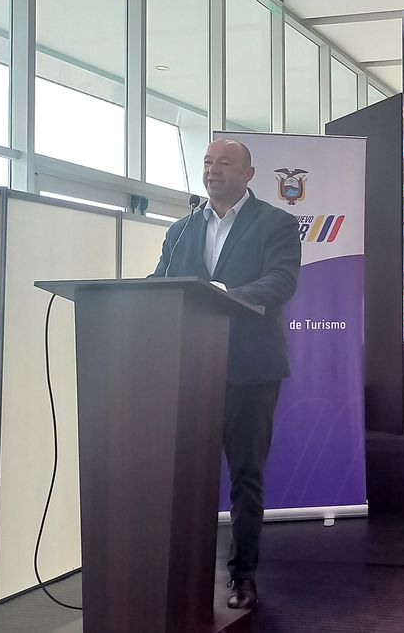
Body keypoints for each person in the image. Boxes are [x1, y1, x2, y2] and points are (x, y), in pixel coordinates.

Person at [151, 138, 301, 609]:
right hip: (190, 370)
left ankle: (243, 577)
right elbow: (160, 282)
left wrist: (224, 296)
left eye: (225, 163)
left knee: (245, 477)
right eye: (207, 162)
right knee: (184, 477)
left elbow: (281, 281)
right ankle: (181, 575)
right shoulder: (181, 230)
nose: (213, 170)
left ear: (249, 174)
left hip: (250, 370)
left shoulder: (276, 223)